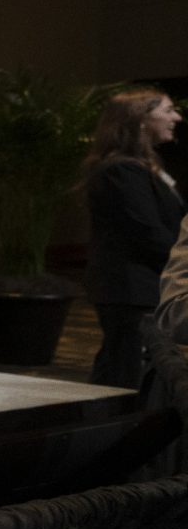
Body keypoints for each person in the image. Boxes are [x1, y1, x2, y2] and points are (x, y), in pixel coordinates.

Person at [82, 87, 181, 389]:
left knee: (123, 366)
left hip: (144, 286)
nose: (176, 118)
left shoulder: (143, 167)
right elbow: (146, 232)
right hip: (131, 289)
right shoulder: (121, 170)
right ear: (140, 120)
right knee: (124, 373)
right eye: (168, 110)